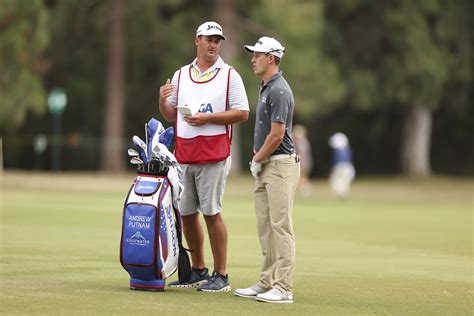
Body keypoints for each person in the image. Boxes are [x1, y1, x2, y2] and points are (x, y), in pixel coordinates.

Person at [158, 21, 249, 292]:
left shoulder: (230, 75)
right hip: (184, 153)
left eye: (217, 40)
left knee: (211, 213)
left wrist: (209, 117)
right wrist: (163, 101)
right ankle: (198, 270)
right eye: (208, 39)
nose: (213, 45)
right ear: (197, 40)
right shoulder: (181, 75)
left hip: (214, 153)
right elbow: (170, 115)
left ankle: (221, 275)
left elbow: (242, 112)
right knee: (186, 214)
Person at [234, 37, 300, 304]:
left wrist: (256, 158)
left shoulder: (279, 90)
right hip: (266, 165)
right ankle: (267, 282)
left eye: (257, 55)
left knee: (281, 227)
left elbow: (277, 134)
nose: (253, 59)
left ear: (271, 58)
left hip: (280, 165)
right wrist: (259, 159)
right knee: (266, 227)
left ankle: (284, 288)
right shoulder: (266, 87)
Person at [328, 132, 355, 198]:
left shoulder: (339, 151)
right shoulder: (347, 150)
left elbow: (337, 162)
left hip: (341, 168)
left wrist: (332, 170)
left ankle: (343, 194)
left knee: (336, 182)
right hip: (348, 168)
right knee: (342, 182)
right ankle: (343, 194)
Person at [292, 125, 313, 195]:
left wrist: (298, 162)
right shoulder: (304, 141)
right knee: (302, 177)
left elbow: (301, 153)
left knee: (301, 177)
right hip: (304, 162)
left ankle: (305, 191)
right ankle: (304, 191)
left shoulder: (301, 142)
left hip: (302, 162)